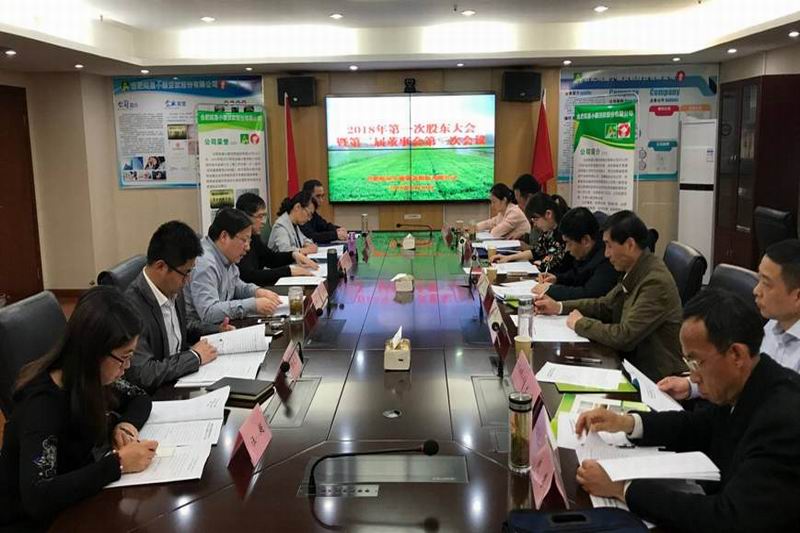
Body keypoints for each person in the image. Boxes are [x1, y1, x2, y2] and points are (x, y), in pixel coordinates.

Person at [574, 289, 800, 532]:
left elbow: (728, 518)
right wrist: (626, 423)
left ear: (736, 354)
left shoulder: (782, 421)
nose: (692, 376)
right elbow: (699, 425)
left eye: (696, 362)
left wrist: (622, 489)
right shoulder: (748, 382)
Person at [0, 287, 158, 530]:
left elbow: (140, 397)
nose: (127, 367)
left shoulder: (90, 378)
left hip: (77, 503)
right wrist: (118, 464)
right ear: (94, 352)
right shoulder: (42, 406)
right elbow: (38, 496)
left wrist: (125, 425)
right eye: (124, 357)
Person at [534, 210, 686, 381]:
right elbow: (605, 304)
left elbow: (624, 336)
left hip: (652, 378)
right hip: (630, 364)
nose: (606, 254)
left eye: (609, 246)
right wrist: (559, 307)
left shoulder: (654, 282)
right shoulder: (636, 268)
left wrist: (580, 323)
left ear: (630, 245)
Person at [659, 238, 800, 401]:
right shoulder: (774, 324)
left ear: (797, 296)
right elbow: (742, 376)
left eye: (766, 284)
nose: (756, 290)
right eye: (759, 279)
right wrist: (691, 386)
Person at [125, 221, 231, 392]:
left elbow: (181, 328)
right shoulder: (131, 307)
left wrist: (216, 330)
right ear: (161, 267)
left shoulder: (172, 286)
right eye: (186, 272)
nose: (187, 280)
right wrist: (194, 357)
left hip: (182, 381)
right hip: (158, 395)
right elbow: (143, 373)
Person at [185, 207, 282, 330]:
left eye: (249, 241)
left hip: (222, 327)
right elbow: (209, 312)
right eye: (244, 240)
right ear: (224, 236)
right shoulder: (205, 263)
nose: (247, 247)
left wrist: (257, 292)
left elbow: (236, 285)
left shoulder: (225, 255)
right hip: (200, 332)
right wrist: (252, 304)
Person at [533, 207, 617, 301]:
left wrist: (551, 290)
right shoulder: (588, 252)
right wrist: (557, 279)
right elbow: (578, 274)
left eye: (568, 243)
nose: (567, 249)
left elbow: (589, 294)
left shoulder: (607, 259)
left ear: (586, 240)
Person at [235, 193, 320, 286]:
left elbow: (270, 258)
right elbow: (249, 276)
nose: (263, 222)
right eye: (260, 216)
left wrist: (293, 255)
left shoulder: (254, 237)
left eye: (264, 216)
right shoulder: (238, 241)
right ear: (245, 217)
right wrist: (289, 271)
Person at [493, 192, 571, 274]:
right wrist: (508, 258)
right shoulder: (548, 231)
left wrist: (540, 264)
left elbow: (551, 264)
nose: (535, 225)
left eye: (536, 219)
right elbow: (536, 252)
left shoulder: (563, 234)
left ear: (548, 214)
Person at [299, 179, 347, 244]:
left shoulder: (314, 213)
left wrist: (339, 229)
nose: (321, 200)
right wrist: (335, 234)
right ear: (307, 196)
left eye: (322, 196)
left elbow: (325, 226)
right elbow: (311, 237)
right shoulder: (300, 213)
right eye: (318, 196)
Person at [512, 173, 543, 248]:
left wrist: (527, 248)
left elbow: (545, 250)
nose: (518, 206)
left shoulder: (543, 216)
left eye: (519, 201)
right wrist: (525, 236)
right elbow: (535, 240)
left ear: (529, 198)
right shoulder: (533, 215)